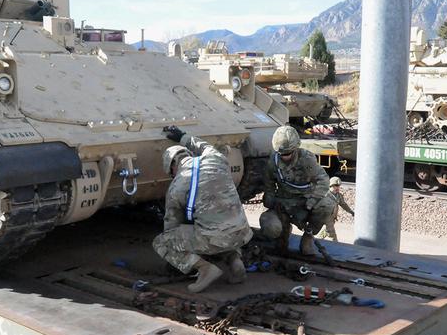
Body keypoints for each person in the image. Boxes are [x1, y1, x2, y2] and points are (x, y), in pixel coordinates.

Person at [152, 126, 252, 293]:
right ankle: (235, 261)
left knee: (162, 242)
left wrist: (178, 260)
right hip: (242, 233)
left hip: (215, 238)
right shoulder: (215, 158)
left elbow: (171, 226)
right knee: (220, 223)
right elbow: (204, 146)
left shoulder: (177, 187)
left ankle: (205, 269)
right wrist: (182, 136)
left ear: (173, 166)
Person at [260, 125, 335, 255]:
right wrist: (270, 199)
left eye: (288, 153)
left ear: (295, 149)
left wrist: (311, 203)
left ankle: (308, 236)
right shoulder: (273, 162)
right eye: (282, 154)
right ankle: (283, 233)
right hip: (283, 204)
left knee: (327, 205)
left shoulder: (307, 159)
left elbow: (323, 181)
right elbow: (269, 184)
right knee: (271, 228)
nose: (285, 157)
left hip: (304, 204)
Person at [317, 176, 355, 242]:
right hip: (325, 217)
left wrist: (351, 212)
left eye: (339, 186)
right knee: (332, 235)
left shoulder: (338, 196)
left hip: (332, 218)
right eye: (336, 185)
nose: (338, 187)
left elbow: (343, 205)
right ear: (331, 185)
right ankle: (335, 245)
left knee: (326, 231)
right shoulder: (325, 195)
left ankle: (316, 241)